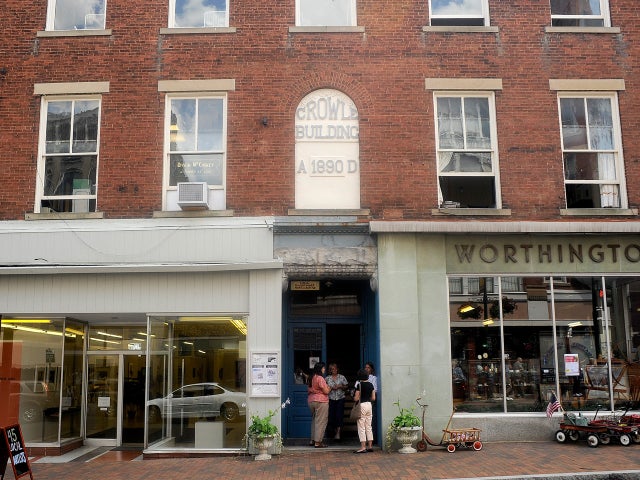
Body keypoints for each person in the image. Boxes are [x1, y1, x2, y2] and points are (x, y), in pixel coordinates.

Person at [307, 361, 330, 448]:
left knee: (314, 420)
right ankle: (318, 442)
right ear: (320, 369)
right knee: (321, 421)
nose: (324, 369)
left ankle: (312, 440)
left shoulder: (311, 377)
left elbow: (309, 389)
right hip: (321, 401)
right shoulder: (320, 378)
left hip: (311, 401)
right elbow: (326, 391)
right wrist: (329, 388)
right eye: (323, 368)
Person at [353, 368, 375, 453]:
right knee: (369, 426)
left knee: (361, 427)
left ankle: (363, 447)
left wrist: (354, 396)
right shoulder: (371, 385)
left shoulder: (359, 385)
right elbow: (373, 398)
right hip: (369, 405)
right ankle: (370, 446)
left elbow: (356, 398)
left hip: (361, 405)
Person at [325, 363, 349, 440]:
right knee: (331, 416)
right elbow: (324, 388)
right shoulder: (327, 378)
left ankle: (338, 433)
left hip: (340, 399)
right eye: (332, 369)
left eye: (334, 368)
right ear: (330, 370)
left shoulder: (342, 377)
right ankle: (335, 431)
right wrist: (330, 388)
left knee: (339, 416)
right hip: (331, 399)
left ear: (337, 369)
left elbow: (346, 386)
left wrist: (340, 386)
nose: (333, 370)